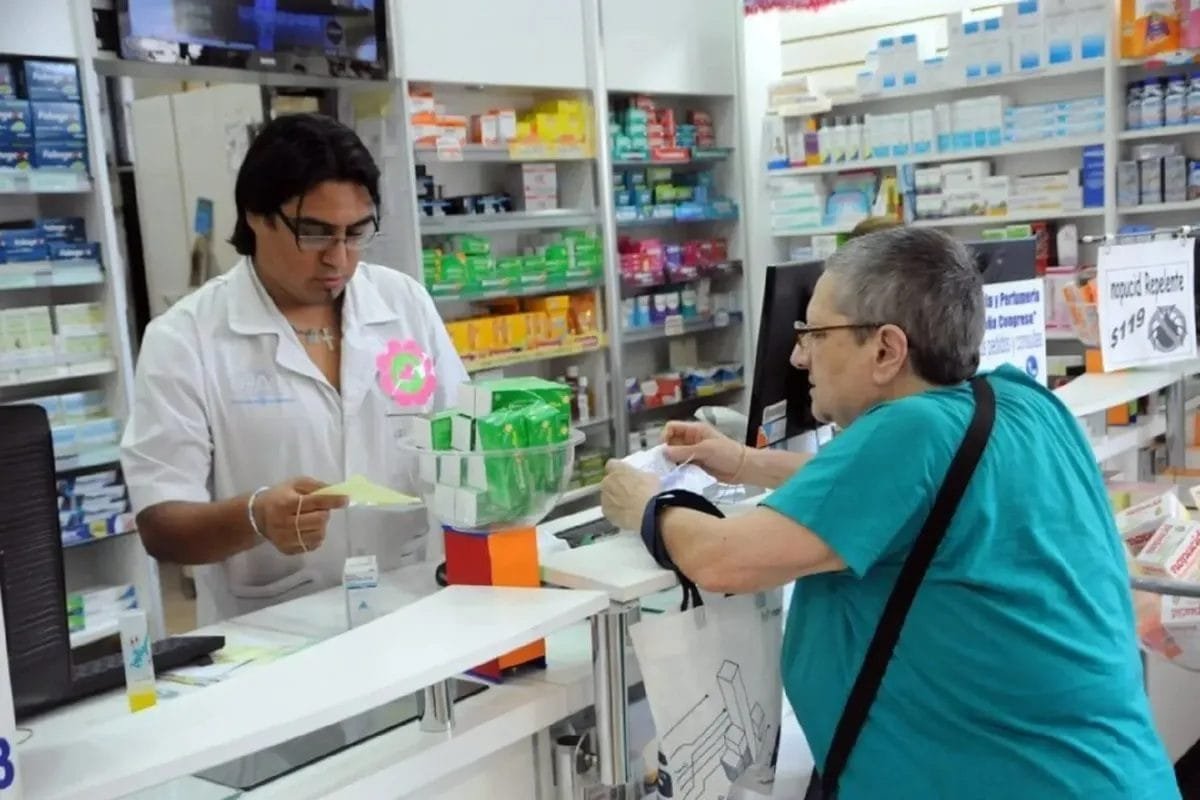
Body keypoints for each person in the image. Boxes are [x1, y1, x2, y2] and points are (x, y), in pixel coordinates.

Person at [600, 227, 1177, 799]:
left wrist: (647, 503)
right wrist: (745, 463)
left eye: (814, 333)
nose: (798, 356)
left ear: (885, 350)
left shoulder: (910, 433)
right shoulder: (1018, 401)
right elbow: (903, 498)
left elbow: (721, 560)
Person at [120, 113, 468, 626]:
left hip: (410, 606)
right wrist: (255, 516)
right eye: (315, 233)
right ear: (256, 216)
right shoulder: (185, 338)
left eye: (356, 233)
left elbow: (462, 437)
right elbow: (161, 526)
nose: (339, 259)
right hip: (274, 631)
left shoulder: (403, 304)